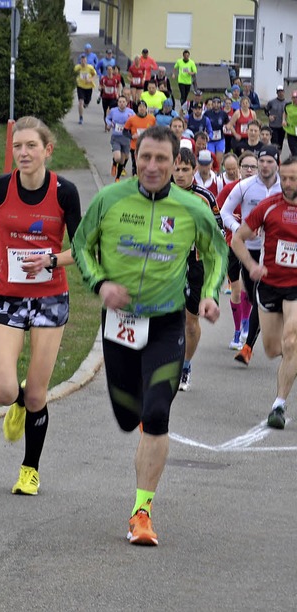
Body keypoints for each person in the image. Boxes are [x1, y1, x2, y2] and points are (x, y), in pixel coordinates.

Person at [71, 125, 227, 546]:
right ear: (134, 158)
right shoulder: (110, 200)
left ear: (177, 163)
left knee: (157, 413)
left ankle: (142, 512)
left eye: (163, 159)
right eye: (146, 158)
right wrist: (101, 284)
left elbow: (217, 253)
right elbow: (82, 245)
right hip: (120, 323)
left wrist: (210, 294)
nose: (154, 166)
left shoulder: (192, 210)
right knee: (129, 418)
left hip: (165, 323)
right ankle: (140, 424)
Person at [0, 116, 82, 497]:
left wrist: (51, 261)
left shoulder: (65, 192)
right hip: (7, 293)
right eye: (18, 146)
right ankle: (15, 402)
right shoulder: (0, 188)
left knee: (37, 394)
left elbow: (82, 249)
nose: (23, 153)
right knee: (4, 390)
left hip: (50, 296)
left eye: (31, 145)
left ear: (47, 150)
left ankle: (29, 470)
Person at [231, 156, 297, 429]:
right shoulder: (269, 207)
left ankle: (278, 405)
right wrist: (250, 265)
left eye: (294, 178)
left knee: (291, 341)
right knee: (273, 349)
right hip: (269, 285)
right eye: (286, 178)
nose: (288, 183)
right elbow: (237, 239)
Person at [221, 146, 283, 365]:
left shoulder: (285, 187)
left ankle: (248, 347)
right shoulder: (245, 186)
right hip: (248, 249)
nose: (265, 165)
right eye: (262, 161)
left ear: (277, 164)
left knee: (261, 295)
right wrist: (239, 229)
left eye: (270, 161)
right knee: (254, 294)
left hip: (275, 251)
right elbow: (224, 212)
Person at [173, 148, 224, 392]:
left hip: (195, 265)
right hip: (166, 264)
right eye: (177, 169)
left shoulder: (205, 197)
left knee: (191, 322)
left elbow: (219, 232)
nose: (180, 174)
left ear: (195, 170)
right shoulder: (160, 193)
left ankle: (185, 366)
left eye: (185, 170)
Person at [217, 151, 259, 350]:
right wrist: (236, 228)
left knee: (249, 291)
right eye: (246, 167)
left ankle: (245, 322)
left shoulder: (265, 191)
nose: (250, 170)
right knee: (236, 288)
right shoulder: (230, 190)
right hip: (232, 244)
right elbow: (219, 213)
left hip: (255, 246)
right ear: (240, 170)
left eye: (253, 167)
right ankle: (237, 331)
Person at [106, 95, 135, 181]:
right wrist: (109, 124)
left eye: (123, 102)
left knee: (123, 160)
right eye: (120, 102)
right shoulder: (113, 111)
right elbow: (107, 118)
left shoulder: (131, 112)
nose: (122, 104)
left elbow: (135, 121)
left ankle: (117, 177)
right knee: (118, 157)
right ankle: (114, 163)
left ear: (127, 103)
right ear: (117, 103)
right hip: (116, 137)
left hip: (126, 138)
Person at [124, 100, 156, 176]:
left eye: (144, 107)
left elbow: (155, 131)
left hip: (148, 146)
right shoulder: (132, 119)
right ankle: (135, 176)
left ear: (146, 108)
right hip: (135, 145)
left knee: (146, 163)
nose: (142, 108)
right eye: (140, 107)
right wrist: (131, 136)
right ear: (137, 108)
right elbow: (124, 131)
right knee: (135, 163)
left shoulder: (152, 119)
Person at [204, 96, 229, 164]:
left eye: (218, 103)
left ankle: (218, 173)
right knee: (210, 158)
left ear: (220, 104)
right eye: (214, 102)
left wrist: (226, 127)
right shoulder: (207, 113)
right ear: (212, 104)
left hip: (220, 139)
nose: (216, 104)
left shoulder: (223, 114)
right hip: (210, 140)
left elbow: (228, 124)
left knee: (219, 160)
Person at [74, 54, 97, 124]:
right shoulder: (77, 67)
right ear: (80, 61)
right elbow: (72, 74)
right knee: (81, 102)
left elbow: (95, 75)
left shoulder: (90, 68)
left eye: (84, 60)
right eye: (82, 60)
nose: (83, 61)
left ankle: (85, 104)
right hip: (80, 86)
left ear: (86, 60)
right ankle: (81, 117)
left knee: (87, 102)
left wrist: (90, 80)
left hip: (89, 87)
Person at [265, 85, 288, 150]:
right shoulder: (271, 102)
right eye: (279, 92)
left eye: (282, 91)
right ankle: (274, 154)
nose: (281, 93)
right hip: (273, 125)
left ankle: (278, 156)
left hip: (282, 126)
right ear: (277, 93)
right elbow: (266, 110)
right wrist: (269, 116)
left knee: (280, 143)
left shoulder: (287, 103)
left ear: (284, 92)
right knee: (274, 142)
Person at [283, 90, 297, 156]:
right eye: (294, 97)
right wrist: (284, 120)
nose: (295, 99)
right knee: (293, 150)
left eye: (296, 97)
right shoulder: (288, 105)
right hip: (290, 130)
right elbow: (285, 113)